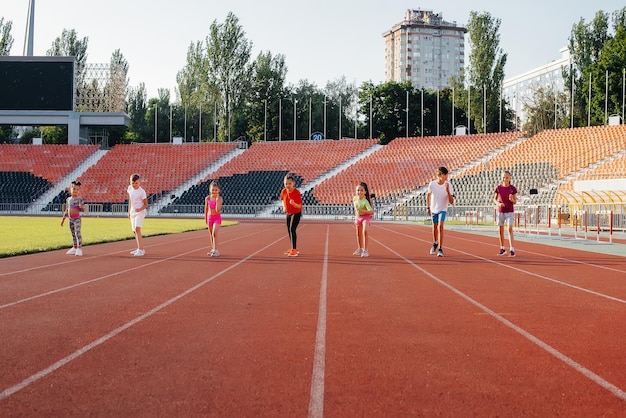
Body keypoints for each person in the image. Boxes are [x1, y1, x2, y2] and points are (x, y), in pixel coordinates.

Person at [426, 166, 454, 257]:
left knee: (440, 226)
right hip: (434, 208)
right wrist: (428, 207)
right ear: (439, 175)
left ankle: (440, 248)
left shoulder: (448, 185)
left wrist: (447, 191)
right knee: (434, 227)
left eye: (447, 175)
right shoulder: (432, 184)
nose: (446, 177)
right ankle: (435, 243)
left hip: (443, 208)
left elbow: (451, 201)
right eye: (445, 175)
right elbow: (428, 195)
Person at [494, 170, 517, 257]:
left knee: (509, 228)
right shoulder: (498, 188)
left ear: (510, 178)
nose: (505, 179)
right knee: (500, 230)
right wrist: (499, 203)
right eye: (503, 177)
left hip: (509, 211)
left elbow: (515, 201)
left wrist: (512, 200)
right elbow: (494, 199)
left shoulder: (512, 189)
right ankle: (502, 248)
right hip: (501, 211)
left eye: (507, 177)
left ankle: (512, 249)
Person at [60, 180, 85, 256]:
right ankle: (74, 247)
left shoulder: (79, 199)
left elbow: (83, 209)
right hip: (70, 219)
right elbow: (67, 210)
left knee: (77, 232)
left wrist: (81, 207)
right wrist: (63, 219)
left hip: (77, 219)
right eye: (74, 189)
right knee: (73, 234)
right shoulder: (68, 199)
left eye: (77, 189)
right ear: (70, 189)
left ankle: (79, 248)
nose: (75, 191)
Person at [280, 173, 302, 257]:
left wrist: (293, 204)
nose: (287, 185)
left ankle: (294, 250)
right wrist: (284, 207)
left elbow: (299, 206)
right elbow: (282, 200)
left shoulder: (296, 192)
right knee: (289, 230)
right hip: (288, 212)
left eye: (289, 183)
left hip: (296, 213)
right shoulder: (284, 191)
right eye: (286, 183)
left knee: (292, 229)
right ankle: (293, 248)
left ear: (293, 183)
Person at [127, 173, 148, 257]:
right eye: (133, 183)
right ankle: (139, 248)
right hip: (133, 212)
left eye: (136, 183)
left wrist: (140, 209)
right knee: (134, 231)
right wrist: (128, 211)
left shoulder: (142, 192)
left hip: (140, 212)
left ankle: (141, 249)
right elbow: (130, 200)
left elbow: (146, 204)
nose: (134, 185)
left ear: (139, 183)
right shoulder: (130, 189)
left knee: (137, 229)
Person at [352, 182, 374, 257]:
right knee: (358, 233)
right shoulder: (354, 198)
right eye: (358, 190)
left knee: (364, 231)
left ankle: (365, 250)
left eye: (361, 190)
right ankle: (359, 249)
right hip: (358, 217)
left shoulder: (365, 201)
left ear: (365, 192)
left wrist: (362, 210)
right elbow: (356, 208)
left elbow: (371, 211)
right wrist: (357, 214)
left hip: (366, 217)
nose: (359, 192)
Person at [204, 180, 223, 257]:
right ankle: (213, 249)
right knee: (211, 234)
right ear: (210, 189)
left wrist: (217, 200)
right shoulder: (207, 198)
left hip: (216, 218)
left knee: (214, 233)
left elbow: (217, 210)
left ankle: (216, 250)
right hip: (209, 218)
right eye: (212, 190)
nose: (214, 191)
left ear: (219, 190)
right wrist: (205, 218)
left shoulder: (220, 199)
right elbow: (206, 209)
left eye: (216, 190)